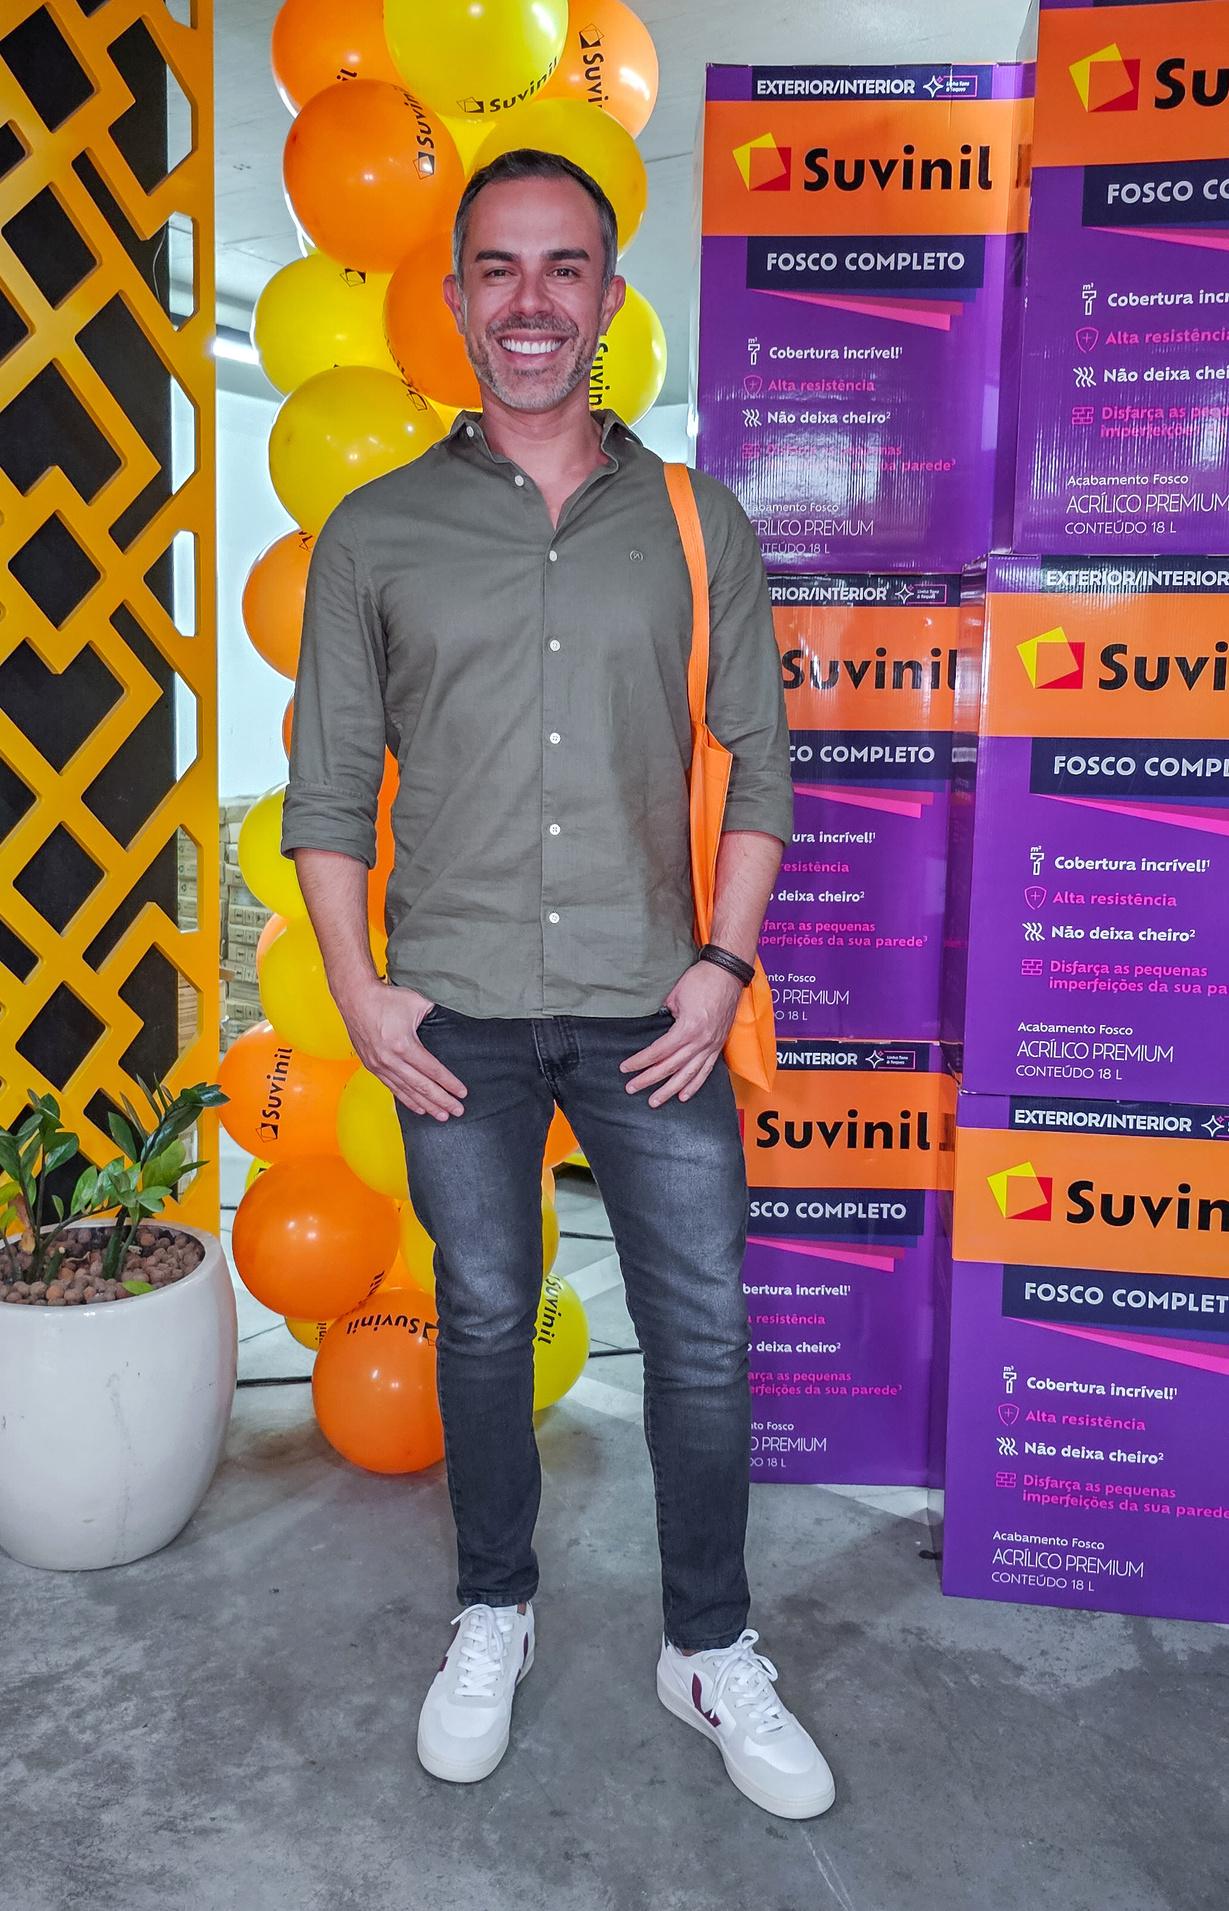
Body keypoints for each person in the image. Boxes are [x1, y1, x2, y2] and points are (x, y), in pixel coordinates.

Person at [280, 148, 835, 1821]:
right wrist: (359, 994)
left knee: (703, 1335)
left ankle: (707, 1647)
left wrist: (721, 967)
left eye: (563, 266)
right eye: (498, 268)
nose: (530, 301)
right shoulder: (376, 533)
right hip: (448, 1011)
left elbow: (758, 763)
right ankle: (494, 1610)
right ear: (455, 298)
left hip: (654, 1010)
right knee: (478, 1312)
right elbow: (326, 792)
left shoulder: (695, 523)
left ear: (606, 296)